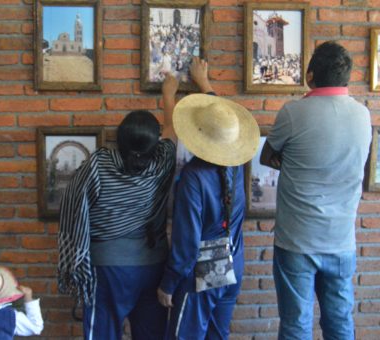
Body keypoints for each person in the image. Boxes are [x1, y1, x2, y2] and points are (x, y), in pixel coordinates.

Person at [260, 41, 371, 339]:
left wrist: (298, 164)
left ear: (310, 76)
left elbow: (265, 156)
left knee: (296, 324)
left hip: (297, 241)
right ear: (346, 76)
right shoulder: (363, 116)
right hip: (341, 240)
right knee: (340, 323)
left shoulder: (294, 113)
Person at [57, 75, 178, 339]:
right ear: (154, 145)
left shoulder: (98, 164)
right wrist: (168, 95)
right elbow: (172, 131)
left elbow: (73, 206)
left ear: (118, 140)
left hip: (107, 271)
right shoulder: (162, 164)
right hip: (153, 265)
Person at [157, 57, 260, 339]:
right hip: (233, 263)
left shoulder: (193, 177)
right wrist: (205, 84)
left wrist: (168, 283)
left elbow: (187, 243)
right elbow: (221, 121)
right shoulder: (236, 165)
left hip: (199, 272)